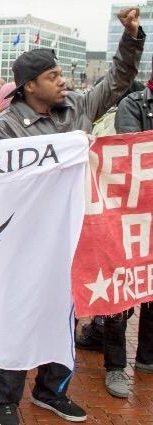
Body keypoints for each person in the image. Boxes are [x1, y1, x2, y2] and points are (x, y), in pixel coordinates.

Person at [0, 7, 144, 425]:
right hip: (26, 240)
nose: (64, 82)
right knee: (20, 318)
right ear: (30, 86)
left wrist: (130, 36)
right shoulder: (4, 130)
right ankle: (5, 398)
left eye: (62, 75)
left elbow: (119, 81)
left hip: (74, 236)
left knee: (63, 315)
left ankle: (51, 391)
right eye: (54, 77)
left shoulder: (77, 107)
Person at [96, 67, 153, 399]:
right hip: (128, 212)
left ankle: (147, 358)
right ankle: (115, 366)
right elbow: (132, 148)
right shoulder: (135, 104)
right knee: (120, 291)